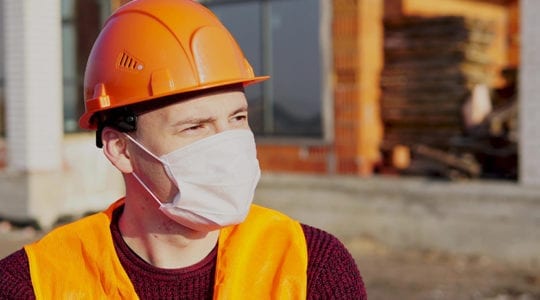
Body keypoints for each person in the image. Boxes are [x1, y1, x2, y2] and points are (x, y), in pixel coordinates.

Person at [0, 0, 367, 298]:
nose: (228, 145)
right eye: (195, 127)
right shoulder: (35, 283)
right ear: (120, 148)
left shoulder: (310, 267)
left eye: (238, 118)